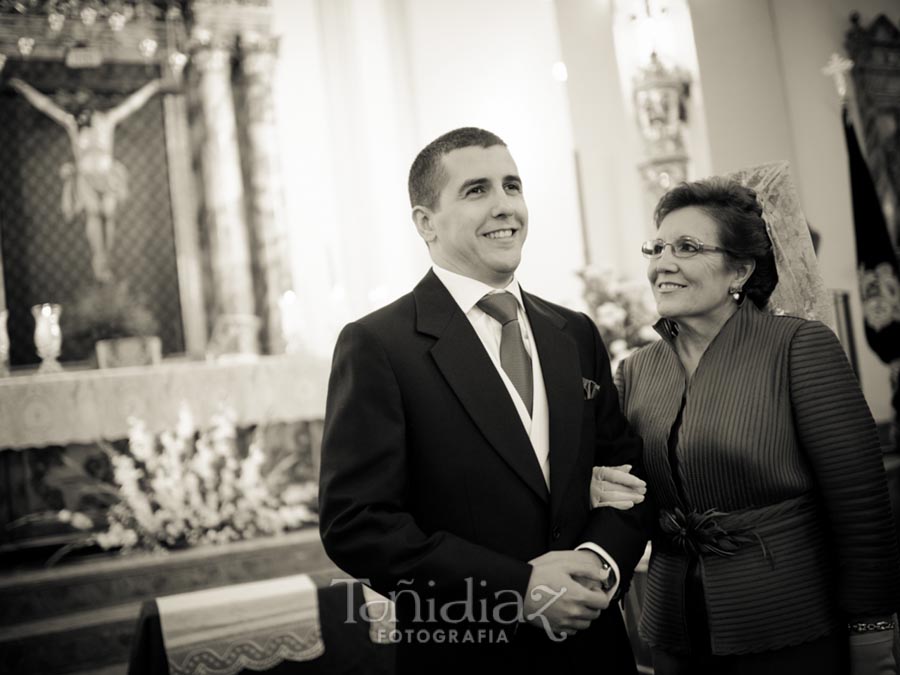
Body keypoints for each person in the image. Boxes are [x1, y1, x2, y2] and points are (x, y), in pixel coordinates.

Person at [318, 127, 651, 674]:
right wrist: (518, 589)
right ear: (425, 222)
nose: (504, 206)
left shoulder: (573, 332)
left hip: (593, 648)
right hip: (470, 650)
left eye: (512, 186)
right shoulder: (380, 344)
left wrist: (596, 564)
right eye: (476, 190)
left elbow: (626, 476)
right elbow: (358, 524)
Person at [592, 175, 900, 674]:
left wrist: (872, 629)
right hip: (675, 631)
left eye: (687, 247)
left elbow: (861, 507)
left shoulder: (798, 348)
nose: (662, 264)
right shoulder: (636, 370)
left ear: (740, 269)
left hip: (788, 625)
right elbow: (626, 495)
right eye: (657, 247)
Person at [8, 77, 162, 282]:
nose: (83, 118)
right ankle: (99, 260)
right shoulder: (73, 123)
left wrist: (153, 87)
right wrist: (23, 87)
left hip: (106, 175)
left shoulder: (107, 120)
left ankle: (107, 258)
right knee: (94, 215)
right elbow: (46, 106)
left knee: (109, 215)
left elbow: (132, 105)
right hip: (86, 177)